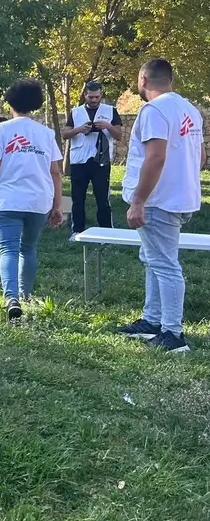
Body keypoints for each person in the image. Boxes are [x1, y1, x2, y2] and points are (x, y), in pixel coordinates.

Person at [115, 59, 204, 353]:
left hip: (158, 200)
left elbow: (155, 157)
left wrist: (139, 200)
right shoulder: (190, 110)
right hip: (181, 198)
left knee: (165, 264)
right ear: (171, 79)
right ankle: (153, 321)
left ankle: (173, 333)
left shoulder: (154, 111)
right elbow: (200, 157)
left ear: (142, 79)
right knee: (154, 259)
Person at [0, 79, 64, 321]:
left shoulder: (1, 130)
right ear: (36, 104)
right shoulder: (46, 134)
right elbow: (55, 172)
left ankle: (11, 298)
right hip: (39, 201)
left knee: (8, 249)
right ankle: (26, 295)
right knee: (29, 249)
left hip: (7, 200)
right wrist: (58, 205)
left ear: (9, 102)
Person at [61, 80, 123, 237]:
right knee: (77, 198)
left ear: (101, 94)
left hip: (101, 159)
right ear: (85, 95)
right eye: (90, 97)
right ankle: (77, 230)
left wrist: (107, 126)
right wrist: (80, 129)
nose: (94, 100)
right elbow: (65, 134)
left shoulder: (110, 111)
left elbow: (119, 136)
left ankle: (106, 232)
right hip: (79, 160)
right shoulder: (75, 112)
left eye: (97, 97)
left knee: (103, 198)